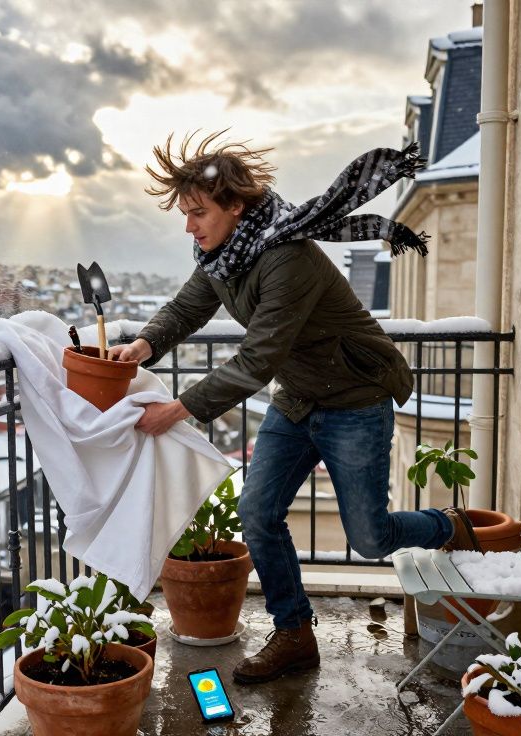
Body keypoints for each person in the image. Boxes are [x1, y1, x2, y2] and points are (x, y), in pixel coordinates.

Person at [109, 131, 481, 685]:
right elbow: (188, 306)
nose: (190, 226)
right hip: (301, 399)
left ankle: (446, 525)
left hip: (355, 399)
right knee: (257, 514)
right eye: (185, 215)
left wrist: (178, 409)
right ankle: (295, 634)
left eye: (197, 212)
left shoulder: (286, 257)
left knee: (370, 538)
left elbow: (257, 359)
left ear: (235, 206)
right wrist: (144, 344)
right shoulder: (226, 254)